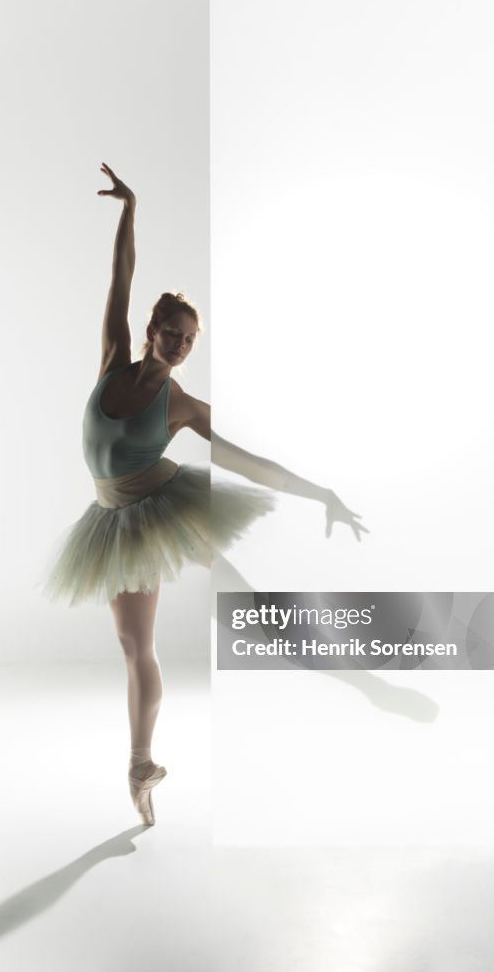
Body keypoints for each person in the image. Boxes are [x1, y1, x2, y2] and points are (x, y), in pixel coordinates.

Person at [45, 163, 367, 826]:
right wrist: (129, 208)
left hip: (155, 505)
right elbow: (121, 277)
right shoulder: (112, 356)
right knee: (134, 646)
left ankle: (310, 657)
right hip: (111, 516)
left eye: (191, 339)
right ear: (150, 329)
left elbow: (248, 463)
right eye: (173, 332)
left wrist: (321, 493)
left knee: (222, 598)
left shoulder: (184, 406)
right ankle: (142, 766)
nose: (182, 344)